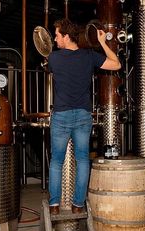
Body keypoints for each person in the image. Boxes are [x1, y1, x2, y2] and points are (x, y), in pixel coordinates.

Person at [47, 19, 121, 215]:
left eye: (57, 35)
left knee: (56, 161)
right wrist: (103, 42)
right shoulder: (89, 56)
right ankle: (78, 205)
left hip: (61, 115)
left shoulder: (54, 58)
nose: (55, 39)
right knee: (82, 160)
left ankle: (54, 205)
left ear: (66, 36)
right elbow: (116, 64)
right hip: (82, 115)